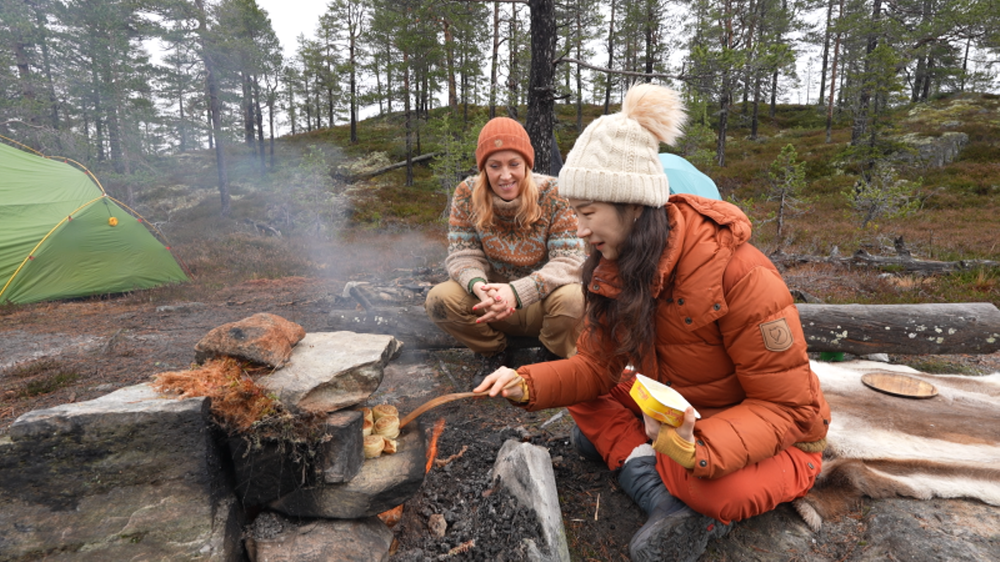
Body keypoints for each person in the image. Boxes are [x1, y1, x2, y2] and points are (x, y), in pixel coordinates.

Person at [475, 84, 830, 562]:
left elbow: (786, 407)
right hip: (677, 412)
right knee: (584, 397)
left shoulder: (740, 273)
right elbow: (596, 369)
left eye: (587, 213)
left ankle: (664, 471)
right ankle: (659, 489)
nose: (579, 229)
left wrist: (697, 449)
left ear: (631, 204)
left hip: (770, 435)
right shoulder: (616, 266)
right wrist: (525, 381)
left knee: (710, 492)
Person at [425, 117, 586, 388]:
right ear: (483, 168)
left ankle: (551, 354)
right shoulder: (466, 194)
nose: (505, 175)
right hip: (491, 303)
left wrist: (518, 292)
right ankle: (496, 351)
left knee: (576, 298)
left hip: (544, 303)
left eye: (514, 164)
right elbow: (463, 255)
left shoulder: (555, 194)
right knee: (439, 299)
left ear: (527, 164)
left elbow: (569, 261)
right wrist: (479, 287)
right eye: (494, 165)